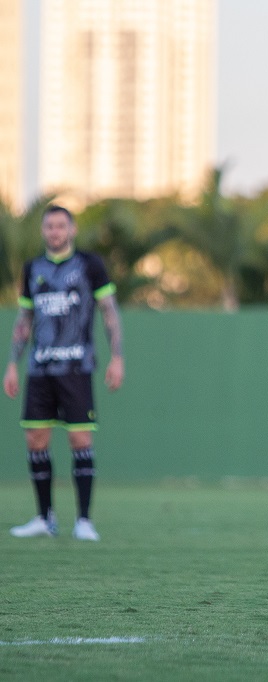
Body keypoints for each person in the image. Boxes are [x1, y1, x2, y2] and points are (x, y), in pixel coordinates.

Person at [3, 205, 124, 542]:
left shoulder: (90, 265)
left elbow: (109, 311)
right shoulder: (33, 268)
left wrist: (117, 357)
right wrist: (12, 363)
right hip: (40, 368)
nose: (55, 231)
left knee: (80, 439)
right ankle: (45, 518)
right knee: (35, 438)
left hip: (76, 367)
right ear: (43, 231)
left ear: (72, 230)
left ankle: (84, 521)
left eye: (60, 226)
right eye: (49, 226)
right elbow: (24, 319)